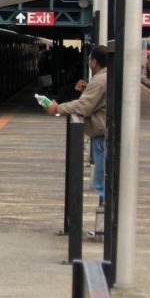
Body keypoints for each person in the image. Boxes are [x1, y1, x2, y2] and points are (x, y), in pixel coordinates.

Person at [42, 45, 107, 203]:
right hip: (103, 132)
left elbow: (84, 107)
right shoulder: (106, 77)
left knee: (101, 182)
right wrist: (86, 90)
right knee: (103, 178)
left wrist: (57, 108)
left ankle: (104, 222)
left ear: (93, 62)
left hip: (101, 135)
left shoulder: (99, 80)